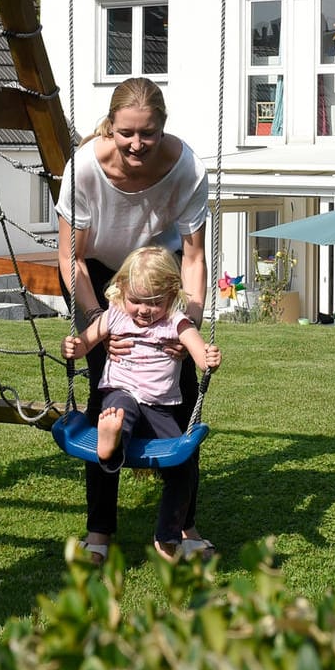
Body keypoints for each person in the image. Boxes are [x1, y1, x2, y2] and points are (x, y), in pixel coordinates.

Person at [55, 77, 217, 564]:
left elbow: (193, 257)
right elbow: (71, 257)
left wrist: (186, 324)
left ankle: (182, 527)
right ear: (111, 125)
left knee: (184, 398)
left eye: (147, 133)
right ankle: (100, 531)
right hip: (101, 274)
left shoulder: (186, 168)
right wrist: (99, 324)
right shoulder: (84, 167)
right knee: (106, 398)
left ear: (163, 128)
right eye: (126, 132)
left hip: (159, 276)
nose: (137, 144)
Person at [62, 246, 221, 561]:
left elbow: (200, 354)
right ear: (121, 292)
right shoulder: (115, 315)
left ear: (171, 295)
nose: (144, 311)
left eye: (154, 303)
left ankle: (167, 535)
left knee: (182, 465)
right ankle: (111, 440)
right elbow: (86, 343)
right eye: (136, 301)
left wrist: (208, 358)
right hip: (119, 393)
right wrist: (73, 345)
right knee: (121, 413)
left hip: (160, 407)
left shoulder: (177, 322)